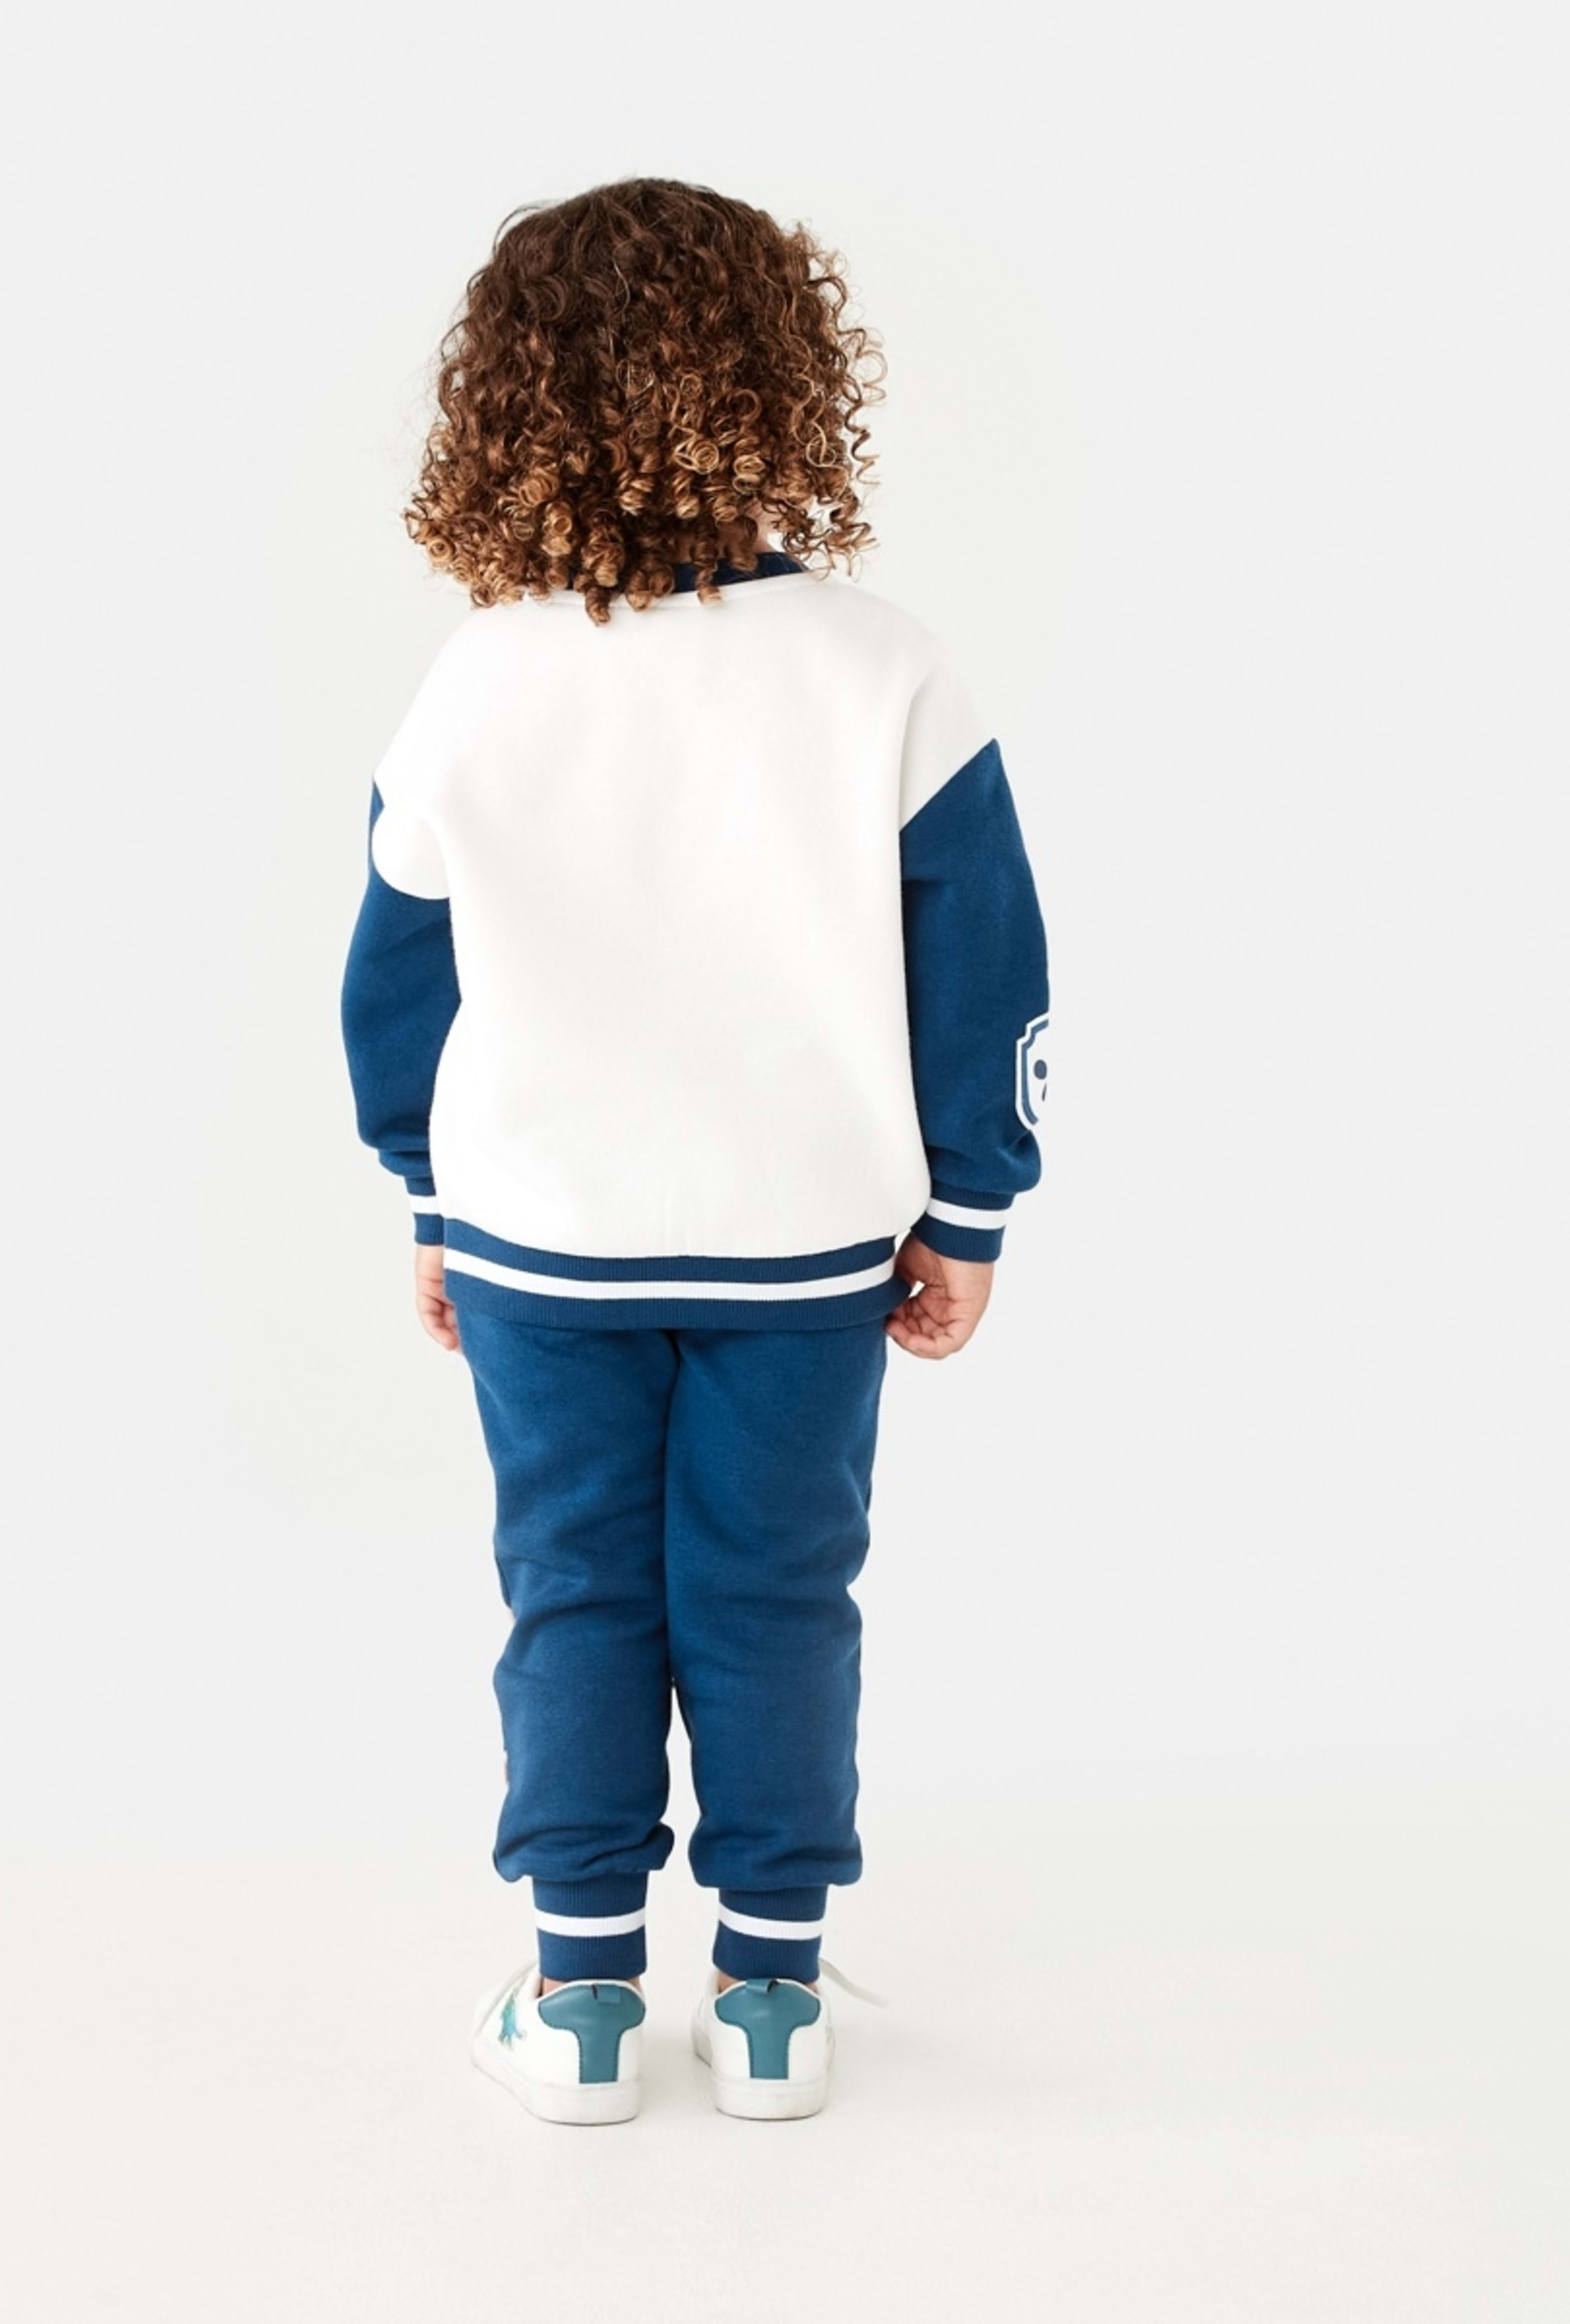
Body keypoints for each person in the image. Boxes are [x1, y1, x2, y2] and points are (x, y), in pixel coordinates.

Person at [340, 177, 1050, 2124]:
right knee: (777, 1595)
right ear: (786, 380)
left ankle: (581, 2003)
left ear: (510, 403)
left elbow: (398, 975)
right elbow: (983, 965)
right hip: (805, 1249)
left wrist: (429, 1192)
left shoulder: (482, 675)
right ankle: (772, 1999)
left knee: (573, 1589)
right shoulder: (883, 668)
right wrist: (972, 1206)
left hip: (541, 1245)